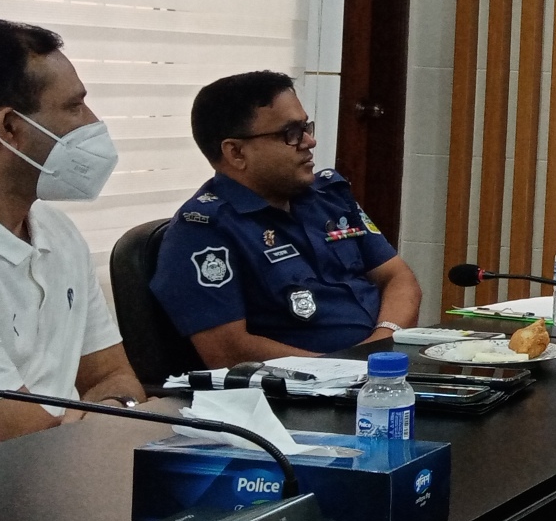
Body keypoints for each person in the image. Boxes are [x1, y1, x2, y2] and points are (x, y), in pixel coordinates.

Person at [0, 20, 145, 467]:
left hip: (64, 472)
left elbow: (114, 375)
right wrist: (103, 419)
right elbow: (20, 448)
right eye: (74, 106)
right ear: (10, 128)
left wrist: (116, 407)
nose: (93, 123)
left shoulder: (56, 230)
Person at [150, 71, 420, 366]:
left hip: (382, 367)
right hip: (306, 387)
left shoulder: (328, 197)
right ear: (236, 152)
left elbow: (398, 277)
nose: (310, 141)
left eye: (306, 127)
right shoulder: (203, 229)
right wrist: (346, 368)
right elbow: (227, 350)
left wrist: (381, 344)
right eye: (291, 133)